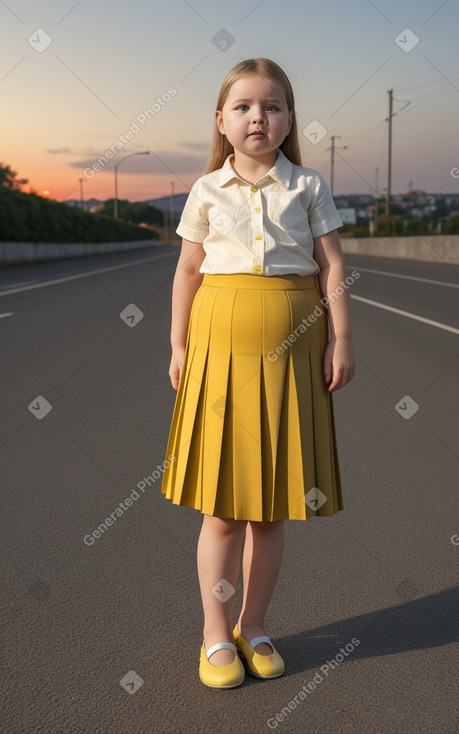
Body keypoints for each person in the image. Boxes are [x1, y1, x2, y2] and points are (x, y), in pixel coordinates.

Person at [160, 58, 355, 689]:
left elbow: (332, 267)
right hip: (218, 352)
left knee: (270, 510)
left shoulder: (310, 187)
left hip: (296, 353)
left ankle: (254, 624)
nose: (258, 117)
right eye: (243, 106)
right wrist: (178, 345)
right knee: (222, 507)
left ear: (289, 120)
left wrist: (340, 339)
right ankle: (215, 634)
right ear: (221, 120)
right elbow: (188, 272)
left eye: (272, 106)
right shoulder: (205, 191)